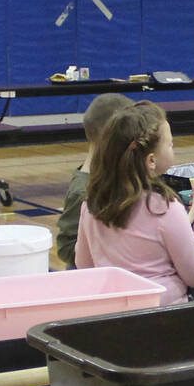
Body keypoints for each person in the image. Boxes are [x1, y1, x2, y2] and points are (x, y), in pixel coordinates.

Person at [76, 101, 194, 303]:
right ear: (151, 160)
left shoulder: (91, 204)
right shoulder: (165, 209)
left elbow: (84, 265)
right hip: (162, 320)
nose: (173, 148)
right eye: (170, 144)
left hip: (110, 318)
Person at [54, 92, 134, 268]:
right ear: (111, 140)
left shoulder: (113, 176)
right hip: (90, 278)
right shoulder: (82, 191)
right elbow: (66, 248)